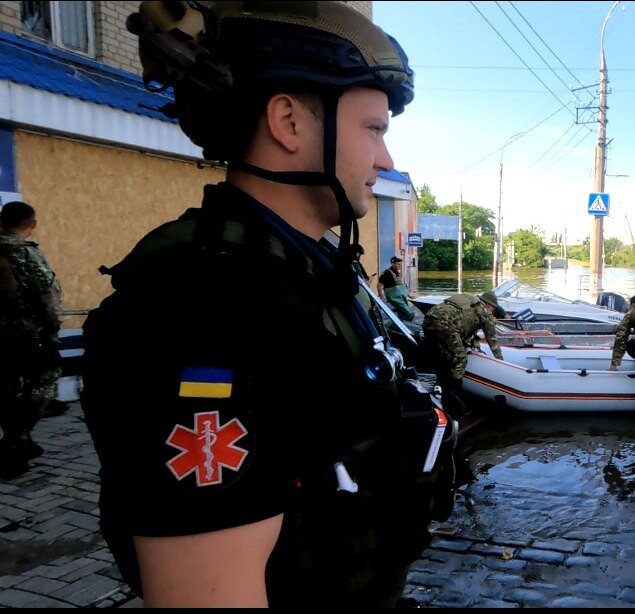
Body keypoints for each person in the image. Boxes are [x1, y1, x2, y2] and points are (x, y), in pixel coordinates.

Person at [79, 2, 456, 608]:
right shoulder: (208, 302)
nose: (385, 160)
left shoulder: (306, 267)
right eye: (374, 130)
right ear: (289, 121)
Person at [0, 201, 62, 478]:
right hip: (26, 336)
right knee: (43, 383)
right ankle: (16, 441)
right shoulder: (24, 253)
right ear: (32, 224)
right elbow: (48, 295)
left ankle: (16, 440)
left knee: (8, 387)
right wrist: (52, 329)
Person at [420, 291, 506, 419]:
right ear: (490, 306)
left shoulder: (469, 299)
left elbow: (462, 324)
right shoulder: (484, 311)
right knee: (460, 359)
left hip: (429, 319)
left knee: (444, 358)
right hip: (444, 325)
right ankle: (455, 400)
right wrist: (501, 362)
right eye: (493, 310)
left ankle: (440, 393)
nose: (492, 312)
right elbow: (492, 340)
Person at [378, 255, 414, 321]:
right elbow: (379, 284)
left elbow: (402, 285)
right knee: (410, 313)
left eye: (400, 264)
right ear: (393, 264)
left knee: (402, 313)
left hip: (401, 297)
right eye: (398, 264)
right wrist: (382, 296)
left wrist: (409, 295)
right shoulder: (387, 273)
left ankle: (402, 325)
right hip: (394, 298)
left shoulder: (397, 273)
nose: (400, 266)